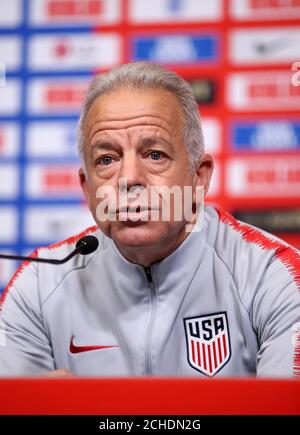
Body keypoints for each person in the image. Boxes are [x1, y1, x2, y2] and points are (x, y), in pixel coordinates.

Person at [0, 62, 299, 378]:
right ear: (87, 189)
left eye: (155, 154)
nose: (129, 179)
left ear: (199, 177)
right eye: (107, 160)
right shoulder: (37, 285)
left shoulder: (273, 276)